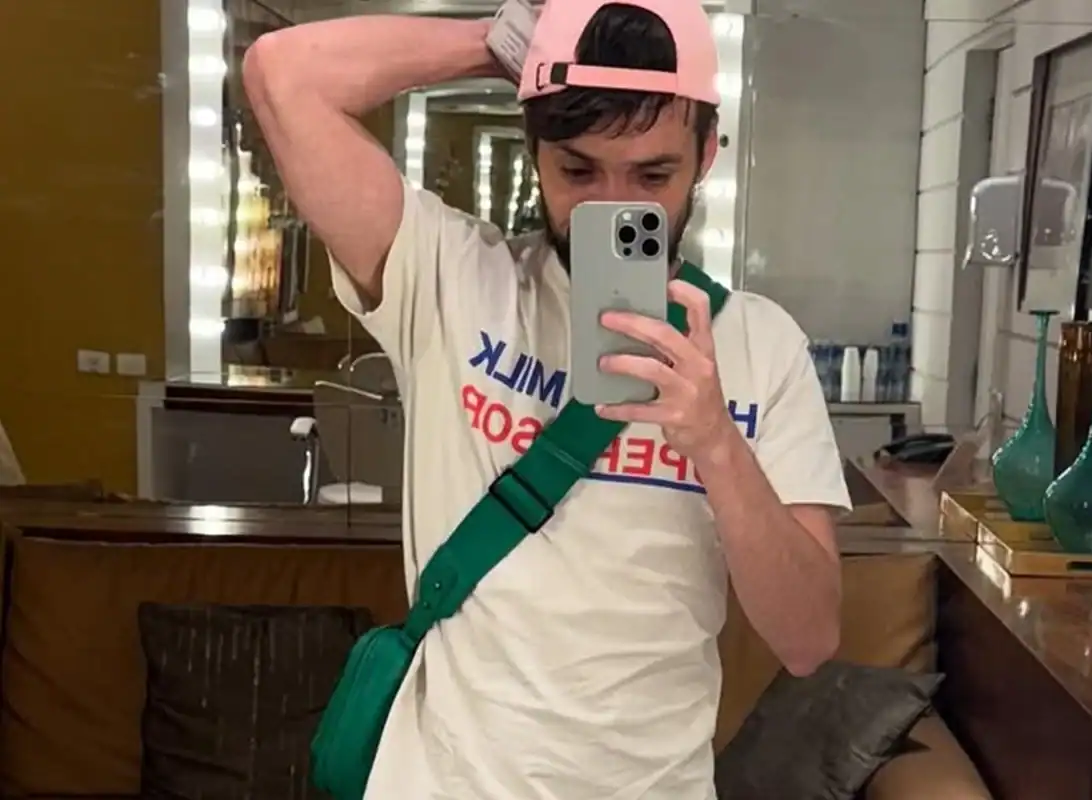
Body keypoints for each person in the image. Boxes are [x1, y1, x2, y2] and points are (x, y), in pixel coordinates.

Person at [243, 0, 850, 797]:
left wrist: (715, 444)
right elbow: (282, 73)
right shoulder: (452, 277)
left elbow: (808, 639)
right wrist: (502, 47)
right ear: (533, 151)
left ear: (707, 155)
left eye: (652, 175)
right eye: (578, 170)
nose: (612, 206)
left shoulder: (762, 346)